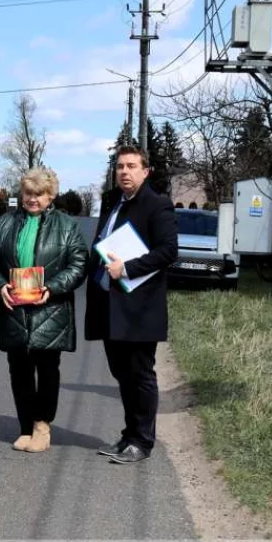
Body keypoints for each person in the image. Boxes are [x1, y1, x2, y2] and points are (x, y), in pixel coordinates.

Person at [0, 168, 88, 453]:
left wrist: (52, 287)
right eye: (28, 193)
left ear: (50, 196)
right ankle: (25, 427)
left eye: (39, 194)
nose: (32, 199)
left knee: (47, 370)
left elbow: (79, 264)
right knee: (19, 371)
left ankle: (42, 425)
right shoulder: (4, 223)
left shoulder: (66, 225)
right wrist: (0, 286)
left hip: (50, 309)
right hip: (14, 309)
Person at [85, 145, 178, 464]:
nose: (124, 171)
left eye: (132, 166)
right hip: (109, 303)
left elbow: (168, 251)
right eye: (120, 166)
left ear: (145, 171)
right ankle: (129, 436)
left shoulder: (157, 204)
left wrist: (127, 268)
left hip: (139, 307)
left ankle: (143, 441)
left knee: (140, 374)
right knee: (122, 374)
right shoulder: (113, 202)